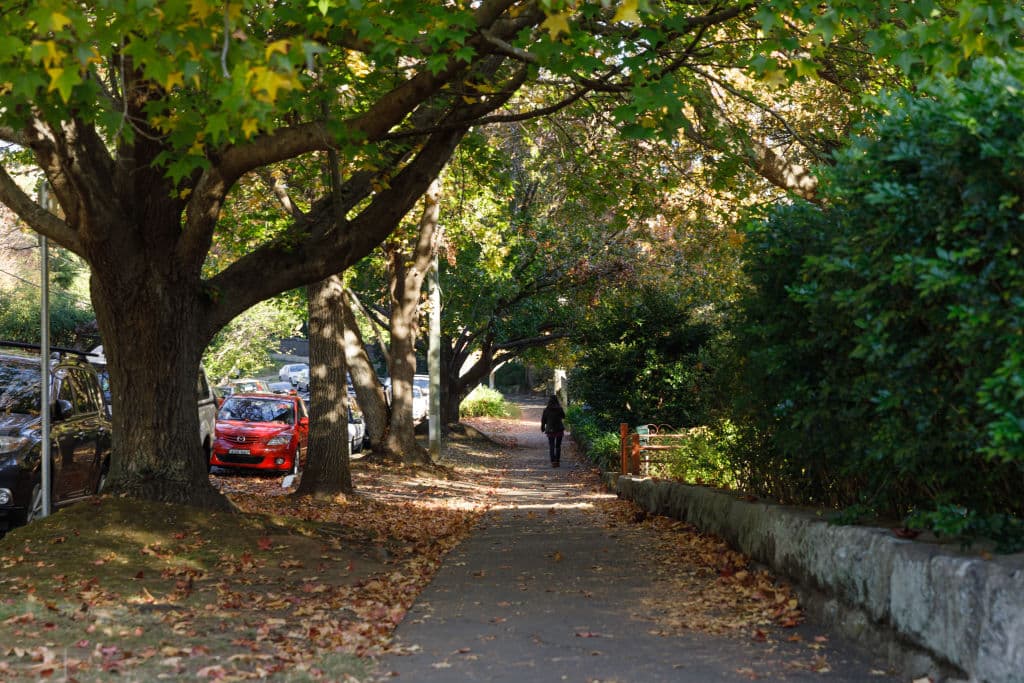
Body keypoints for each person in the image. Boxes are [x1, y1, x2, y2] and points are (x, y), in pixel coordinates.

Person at [540, 394, 566, 467]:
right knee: (558, 446)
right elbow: (564, 416)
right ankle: (557, 461)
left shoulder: (546, 410)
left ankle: (553, 461)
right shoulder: (559, 409)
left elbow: (543, 420)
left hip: (550, 430)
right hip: (559, 429)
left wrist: (542, 427)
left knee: (551, 446)